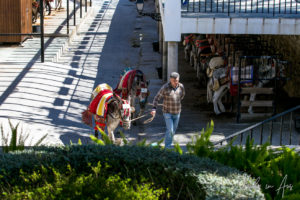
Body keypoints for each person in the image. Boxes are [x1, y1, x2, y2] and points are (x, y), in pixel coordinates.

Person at [151, 72, 185, 148]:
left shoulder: (181, 87)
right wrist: (154, 108)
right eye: (174, 81)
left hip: (177, 112)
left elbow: (182, 96)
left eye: (177, 80)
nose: (175, 82)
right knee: (170, 130)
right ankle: (167, 147)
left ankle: (167, 143)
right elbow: (156, 98)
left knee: (172, 131)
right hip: (167, 113)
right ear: (170, 80)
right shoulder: (165, 87)